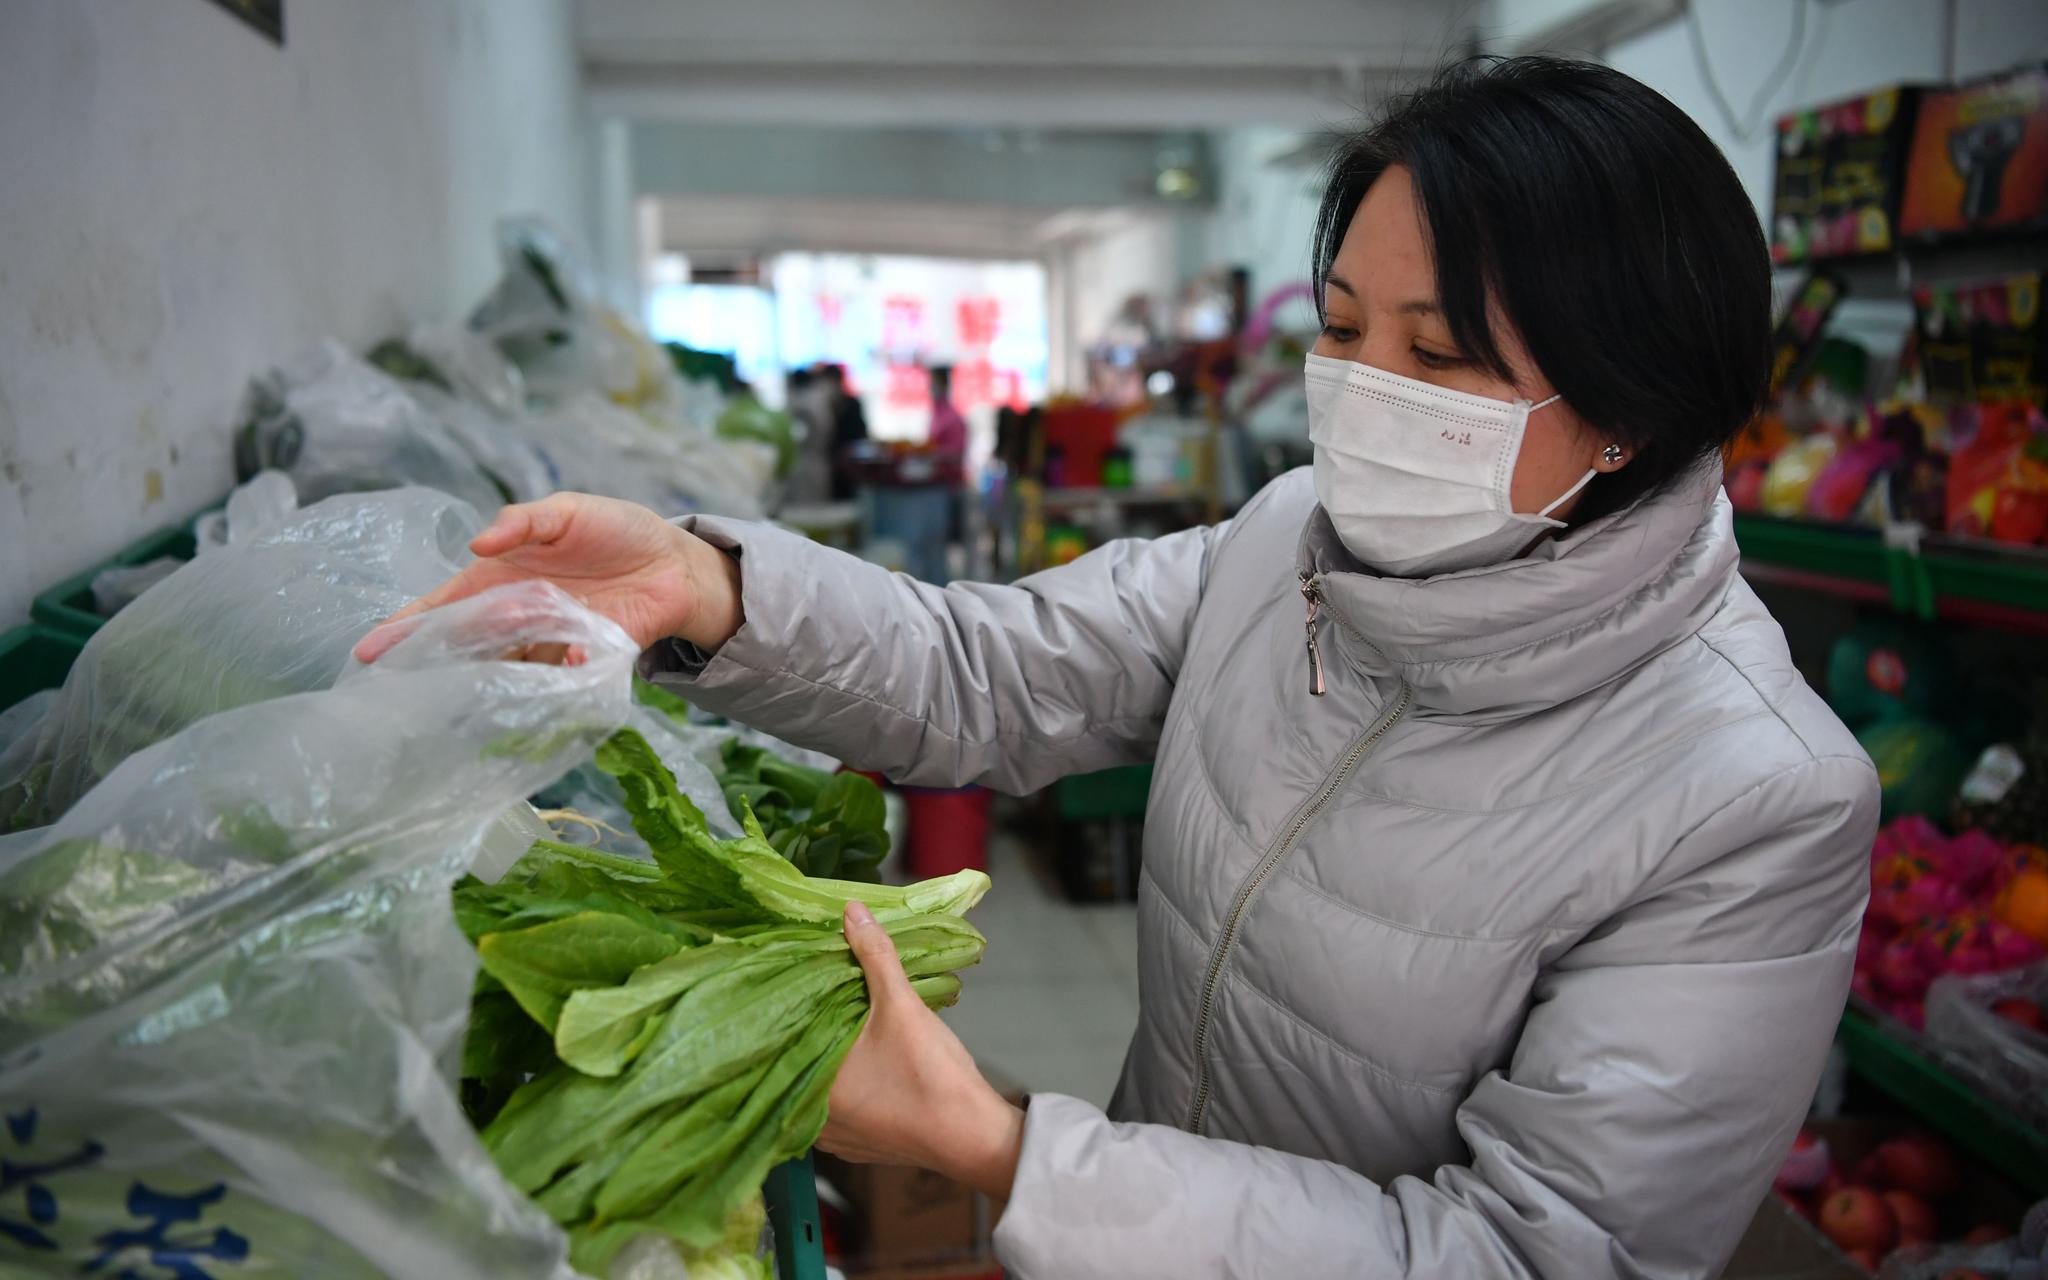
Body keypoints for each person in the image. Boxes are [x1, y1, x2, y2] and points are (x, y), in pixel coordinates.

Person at [360, 56, 1877, 1279]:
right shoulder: (1286, 546)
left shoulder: (1753, 800)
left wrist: (1005, 1154)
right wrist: (715, 590)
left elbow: (1534, 1257)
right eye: (1343, 329)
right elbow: (985, 673)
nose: (1360, 396)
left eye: (1437, 358)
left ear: (1633, 404)